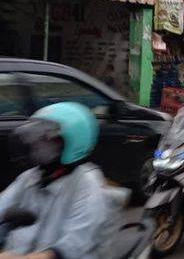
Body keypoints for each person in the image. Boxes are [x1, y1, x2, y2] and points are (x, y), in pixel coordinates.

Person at [0, 102, 107, 258]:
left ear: (72, 143)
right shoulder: (31, 177)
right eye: (37, 137)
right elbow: (3, 205)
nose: (36, 144)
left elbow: (74, 244)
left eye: (46, 139)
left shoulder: (87, 184)